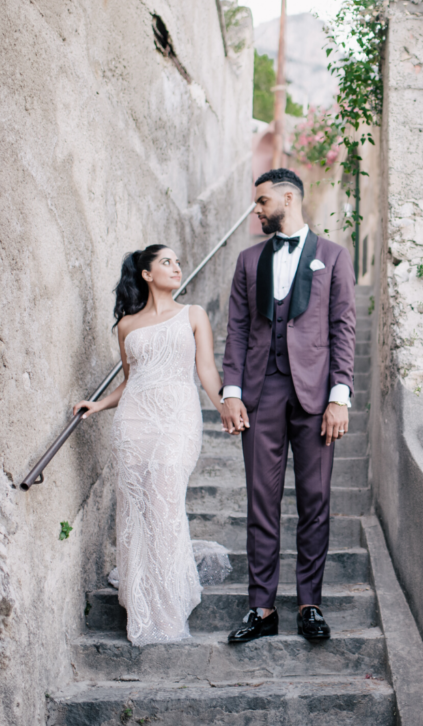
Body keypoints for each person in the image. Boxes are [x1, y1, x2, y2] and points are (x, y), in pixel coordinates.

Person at [222, 168, 356, 643]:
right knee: (262, 501)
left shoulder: (334, 258)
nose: (256, 211)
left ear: (287, 198)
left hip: (317, 397)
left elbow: (343, 329)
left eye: (262, 202)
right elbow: (237, 329)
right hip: (261, 393)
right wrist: (231, 392)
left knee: (315, 501)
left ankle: (308, 604)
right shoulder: (247, 260)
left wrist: (339, 396)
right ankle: (261, 609)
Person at [74, 245, 225, 646]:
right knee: (137, 507)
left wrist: (226, 404)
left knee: (163, 494)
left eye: (177, 262)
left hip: (178, 417)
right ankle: (145, 600)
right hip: (135, 422)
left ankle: (170, 601)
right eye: (166, 262)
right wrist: (100, 403)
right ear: (146, 274)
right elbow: (130, 380)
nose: (176, 268)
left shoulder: (193, 314)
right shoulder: (127, 325)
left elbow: (206, 370)